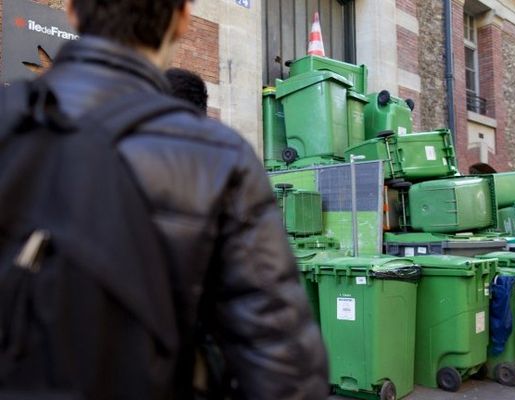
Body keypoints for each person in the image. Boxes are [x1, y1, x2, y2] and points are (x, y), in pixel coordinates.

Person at [29, 0, 329, 398]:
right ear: (184, 17)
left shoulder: (13, 123)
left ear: (71, 10)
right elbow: (282, 365)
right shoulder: (220, 159)